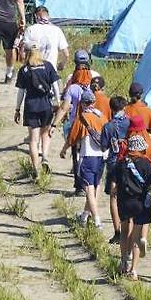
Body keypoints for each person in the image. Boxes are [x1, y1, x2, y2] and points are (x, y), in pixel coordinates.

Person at [60, 89, 108, 227]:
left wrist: (63, 150)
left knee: (88, 189)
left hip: (87, 156)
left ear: (82, 103)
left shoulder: (82, 118)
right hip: (101, 157)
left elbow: (72, 139)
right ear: (93, 102)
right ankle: (85, 216)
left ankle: (97, 219)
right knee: (96, 186)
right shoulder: (102, 117)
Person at [14, 41, 60, 179]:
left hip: (31, 106)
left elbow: (21, 92)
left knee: (33, 140)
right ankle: (45, 157)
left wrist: (17, 109)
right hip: (46, 105)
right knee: (45, 134)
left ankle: (35, 167)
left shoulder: (24, 70)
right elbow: (55, 86)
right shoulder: (48, 66)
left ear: (26, 53)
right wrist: (58, 101)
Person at [115, 134, 151, 280]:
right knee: (137, 236)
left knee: (124, 231)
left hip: (124, 201)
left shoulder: (121, 163)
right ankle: (134, 270)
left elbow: (116, 183)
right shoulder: (145, 164)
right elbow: (150, 182)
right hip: (140, 202)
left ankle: (124, 261)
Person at [50, 62, 93, 195]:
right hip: (92, 125)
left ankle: (79, 185)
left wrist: (54, 124)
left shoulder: (73, 88)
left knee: (77, 155)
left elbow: (64, 108)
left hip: (77, 124)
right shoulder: (94, 86)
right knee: (88, 155)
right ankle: (90, 183)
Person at [100, 95, 130, 244]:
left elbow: (103, 146)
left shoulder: (108, 126)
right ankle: (129, 230)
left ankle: (117, 231)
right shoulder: (130, 123)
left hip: (113, 163)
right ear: (124, 107)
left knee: (114, 196)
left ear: (111, 109)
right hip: (129, 162)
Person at [21, 6, 69, 73]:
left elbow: (23, 53)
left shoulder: (30, 29)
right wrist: (62, 64)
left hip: (34, 70)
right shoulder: (57, 30)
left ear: (35, 16)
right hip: (51, 71)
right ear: (48, 16)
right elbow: (66, 54)